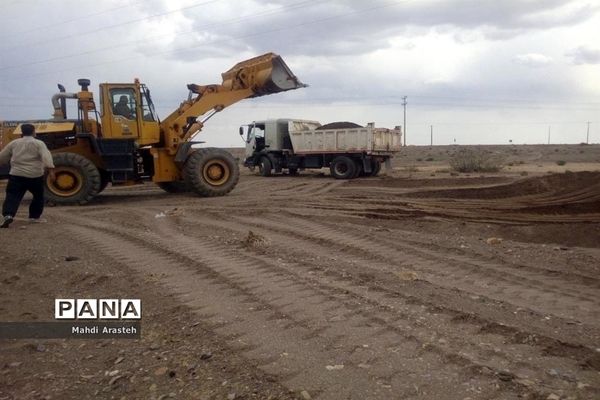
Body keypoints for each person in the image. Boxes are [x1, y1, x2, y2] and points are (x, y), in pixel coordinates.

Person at [0, 123, 55, 228]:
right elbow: (46, 157)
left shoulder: (14, 143)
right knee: (38, 197)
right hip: (35, 176)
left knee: (12, 196)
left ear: (22, 132)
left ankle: (8, 215)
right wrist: (51, 171)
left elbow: (2, 157)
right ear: (34, 132)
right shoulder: (39, 143)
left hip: (16, 175)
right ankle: (34, 217)